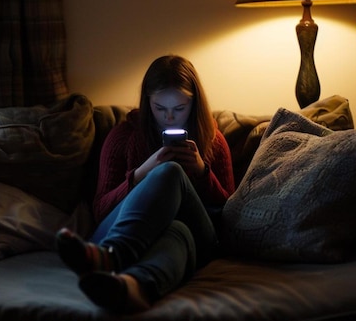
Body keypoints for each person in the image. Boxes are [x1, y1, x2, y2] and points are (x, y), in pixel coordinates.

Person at [55, 54, 235, 313]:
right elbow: (101, 210)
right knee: (175, 224)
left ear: (194, 104)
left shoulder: (213, 140)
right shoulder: (123, 136)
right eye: (160, 108)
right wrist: (142, 173)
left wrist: (201, 170)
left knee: (173, 182)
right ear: (147, 102)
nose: (170, 118)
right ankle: (134, 287)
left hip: (199, 237)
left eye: (180, 108)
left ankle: (112, 255)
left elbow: (230, 215)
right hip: (142, 231)